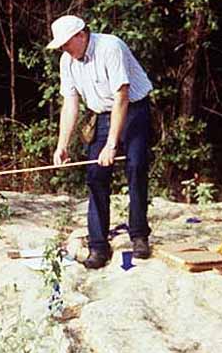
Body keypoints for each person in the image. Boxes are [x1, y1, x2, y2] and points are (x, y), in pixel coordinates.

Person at [48, 14, 154, 269]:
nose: (63, 48)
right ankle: (98, 246)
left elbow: (122, 96)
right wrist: (62, 145)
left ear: (81, 35)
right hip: (101, 114)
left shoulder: (111, 47)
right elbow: (70, 104)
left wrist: (112, 144)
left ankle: (139, 235)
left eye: (66, 43)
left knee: (136, 166)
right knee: (95, 174)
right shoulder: (67, 61)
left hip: (134, 109)